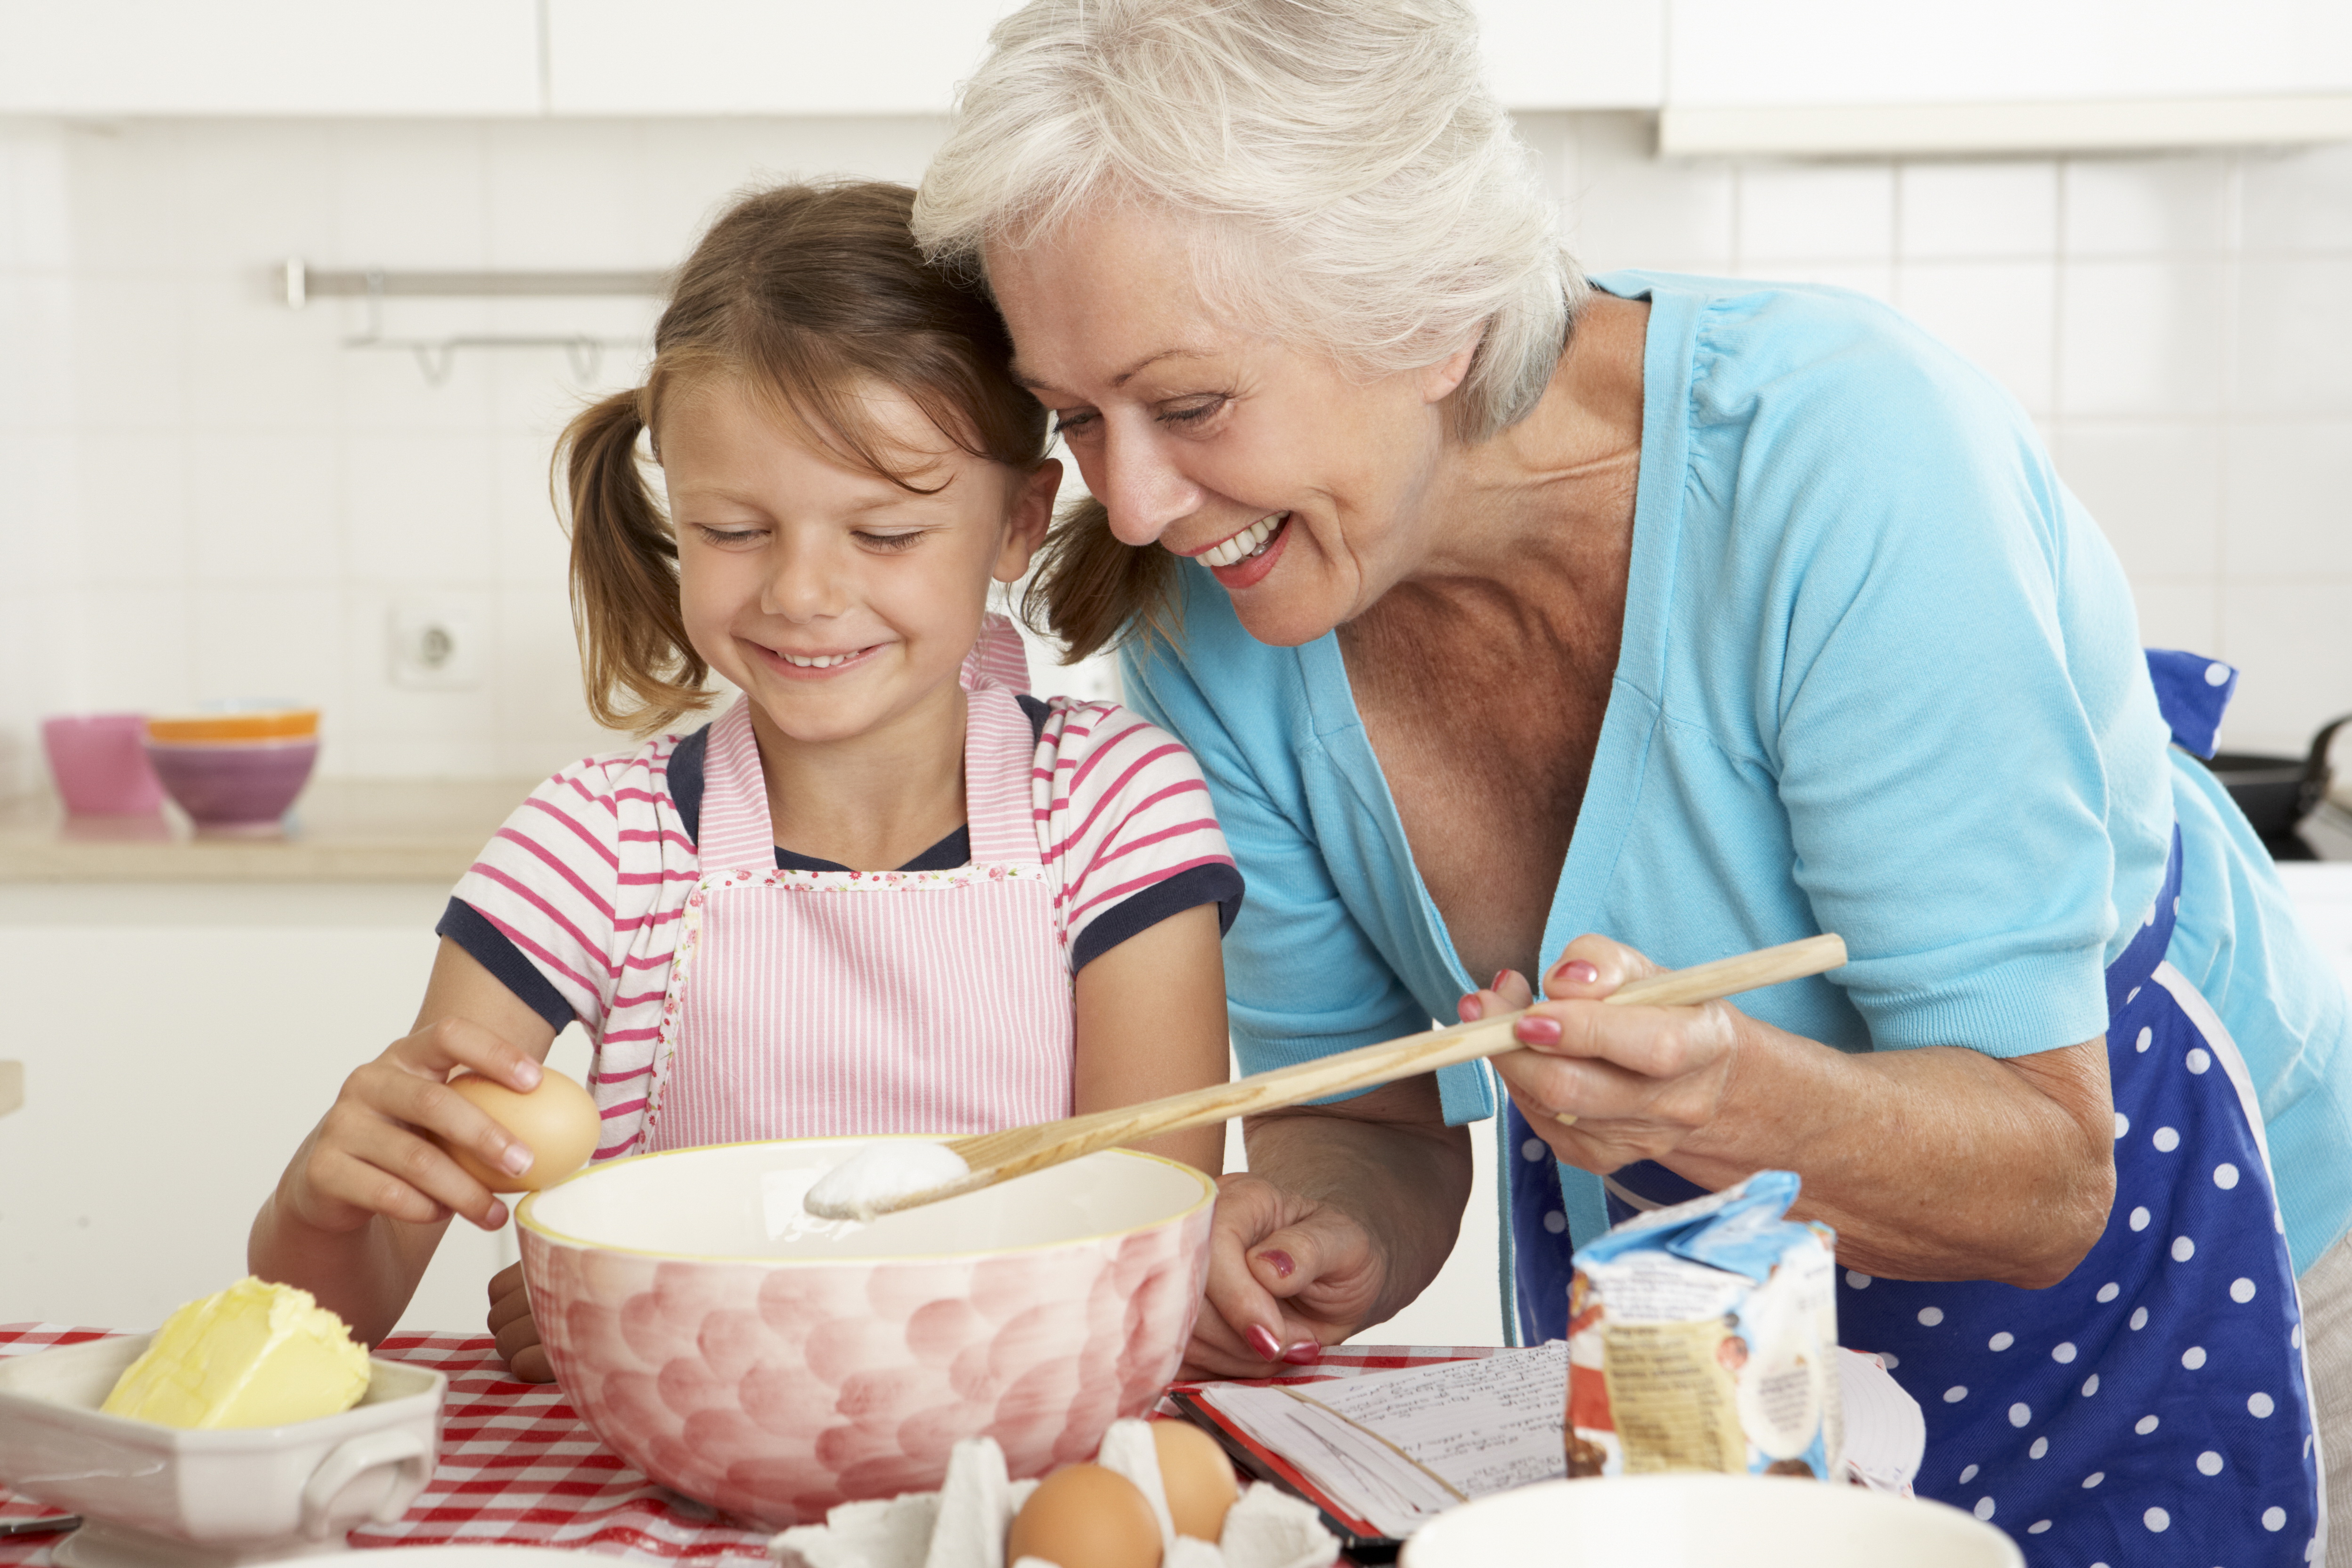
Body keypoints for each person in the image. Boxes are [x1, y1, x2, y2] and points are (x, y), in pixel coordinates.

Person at [911, 1, 2352, 1561]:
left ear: (1432, 310)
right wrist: (1324, 1224)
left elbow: (2044, 1173)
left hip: (2177, 1272)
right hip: (1686, 1326)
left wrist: (1720, 1099)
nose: (1128, 499)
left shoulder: (1841, 459)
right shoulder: (1222, 615)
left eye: (1187, 406)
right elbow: (1370, 1119)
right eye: (1076, 417)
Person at [248, 181, 1243, 1379]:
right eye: (734, 529)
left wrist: (671, 1305)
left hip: (1019, 1440)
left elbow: (1138, 1240)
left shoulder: (1114, 807)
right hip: (678, 1458)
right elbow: (330, 1320)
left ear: (1020, 521)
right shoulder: (591, 846)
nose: (803, 593)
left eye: (882, 534)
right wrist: (328, 1201)